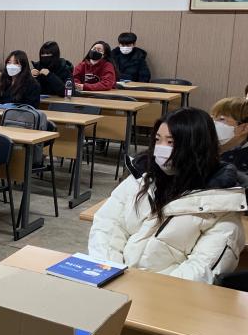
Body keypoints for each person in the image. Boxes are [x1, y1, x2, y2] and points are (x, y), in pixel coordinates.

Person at [89, 108, 246, 283]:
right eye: (158, 140)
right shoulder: (143, 178)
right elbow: (108, 225)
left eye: (170, 142)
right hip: (117, 280)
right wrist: (111, 272)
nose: (161, 149)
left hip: (163, 293)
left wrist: (142, 288)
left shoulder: (222, 205)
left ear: (196, 146)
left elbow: (201, 270)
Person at [211, 97, 248, 174]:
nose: (213, 123)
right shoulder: (208, 146)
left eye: (221, 119)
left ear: (244, 127)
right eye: (213, 118)